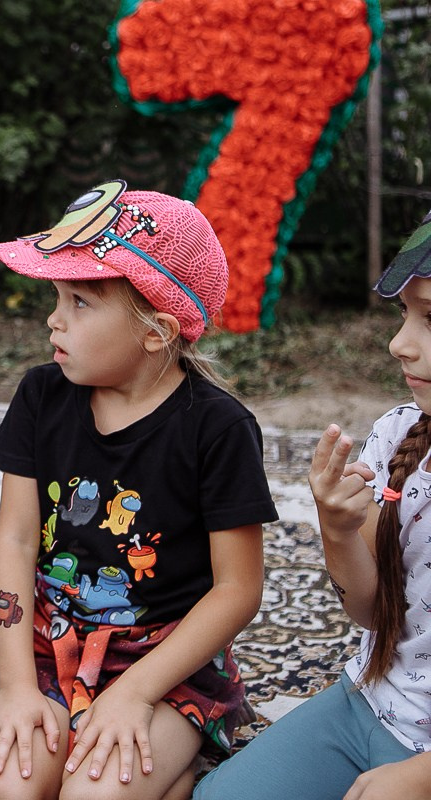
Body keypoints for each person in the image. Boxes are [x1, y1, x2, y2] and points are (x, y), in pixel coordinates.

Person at [0, 181, 279, 800]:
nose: (54, 318)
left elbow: (238, 589)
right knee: (1, 784)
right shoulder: (40, 395)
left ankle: (182, 762)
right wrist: (18, 687)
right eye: (57, 296)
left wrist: (133, 693)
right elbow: (17, 539)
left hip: (164, 665)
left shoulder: (219, 429)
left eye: (80, 301)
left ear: (156, 332)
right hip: (53, 646)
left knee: (95, 792)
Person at [194, 208, 431, 800]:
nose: (398, 343)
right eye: (404, 314)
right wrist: (339, 529)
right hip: (372, 707)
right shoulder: (398, 436)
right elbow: (372, 611)